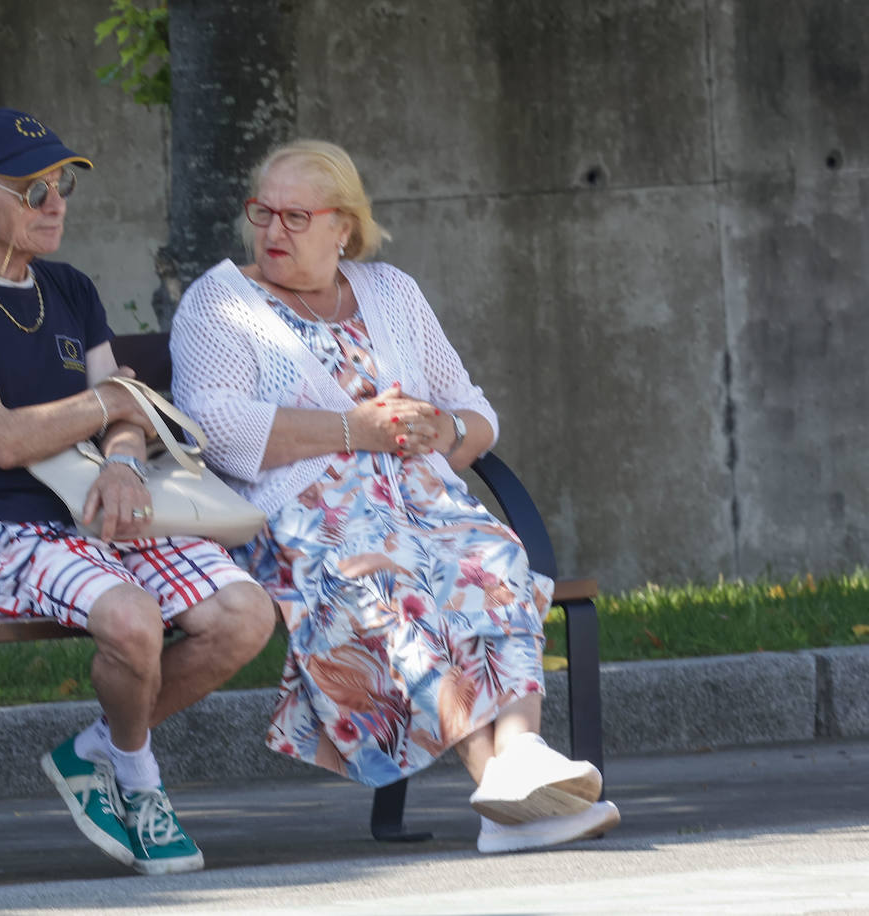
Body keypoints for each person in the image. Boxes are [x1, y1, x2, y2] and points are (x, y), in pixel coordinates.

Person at [169, 139, 620, 854]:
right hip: (304, 522)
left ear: (341, 226)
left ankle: (519, 763)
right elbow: (217, 429)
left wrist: (444, 428)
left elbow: (475, 412)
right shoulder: (221, 303)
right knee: (384, 583)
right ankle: (504, 794)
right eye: (263, 213)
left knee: (496, 557)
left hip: (425, 506)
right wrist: (356, 429)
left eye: (294, 216)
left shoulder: (390, 292)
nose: (272, 231)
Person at [0, 108, 275, 875]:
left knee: (245, 613)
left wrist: (124, 461)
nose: (55, 202)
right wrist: (109, 409)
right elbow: (0, 436)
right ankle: (139, 781)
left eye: (60, 183)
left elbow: (126, 415)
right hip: (0, 533)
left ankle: (96, 747)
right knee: (132, 622)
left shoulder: (68, 289)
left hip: (102, 511)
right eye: (31, 189)